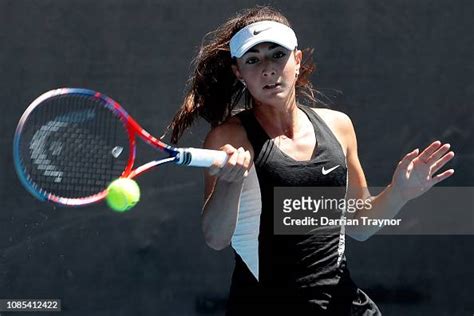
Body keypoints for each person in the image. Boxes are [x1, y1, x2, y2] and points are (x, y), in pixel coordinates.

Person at [166, 6, 455, 315]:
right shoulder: (229, 138)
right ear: (239, 72)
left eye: (277, 54)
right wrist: (229, 183)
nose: (267, 69)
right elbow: (216, 237)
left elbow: (359, 225)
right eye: (253, 60)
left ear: (297, 59)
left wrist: (399, 193)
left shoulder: (338, 126)